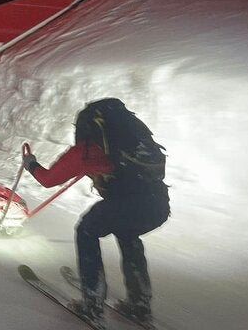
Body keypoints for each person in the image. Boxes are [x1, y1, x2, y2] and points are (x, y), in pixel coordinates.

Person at [22, 98, 169, 329]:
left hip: (128, 203)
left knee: (87, 230)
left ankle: (92, 303)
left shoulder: (89, 149)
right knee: (127, 233)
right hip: (158, 205)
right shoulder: (136, 142)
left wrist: (31, 164)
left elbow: (49, 179)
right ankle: (139, 304)